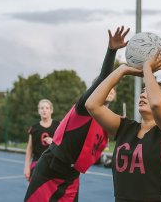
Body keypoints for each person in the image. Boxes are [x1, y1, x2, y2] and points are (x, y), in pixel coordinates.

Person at [24, 26, 129, 202]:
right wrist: (111, 51)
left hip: (71, 175)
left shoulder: (106, 119)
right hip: (50, 169)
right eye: (104, 87)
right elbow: (104, 78)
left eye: (111, 88)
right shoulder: (84, 108)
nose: (108, 89)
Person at [85, 52, 161, 201]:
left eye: (149, 92)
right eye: (142, 92)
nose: (143, 95)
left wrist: (147, 69)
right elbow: (91, 105)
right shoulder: (125, 128)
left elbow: (157, 104)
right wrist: (122, 70)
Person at [24, 99, 60, 181]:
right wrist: (26, 167)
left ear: (51, 110)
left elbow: (63, 145)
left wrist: (53, 142)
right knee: (35, 192)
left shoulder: (58, 126)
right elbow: (29, 149)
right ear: (39, 111)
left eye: (47, 108)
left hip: (54, 165)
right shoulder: (34, 128)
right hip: (37, 163)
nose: (44, 110)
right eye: (42, 108)